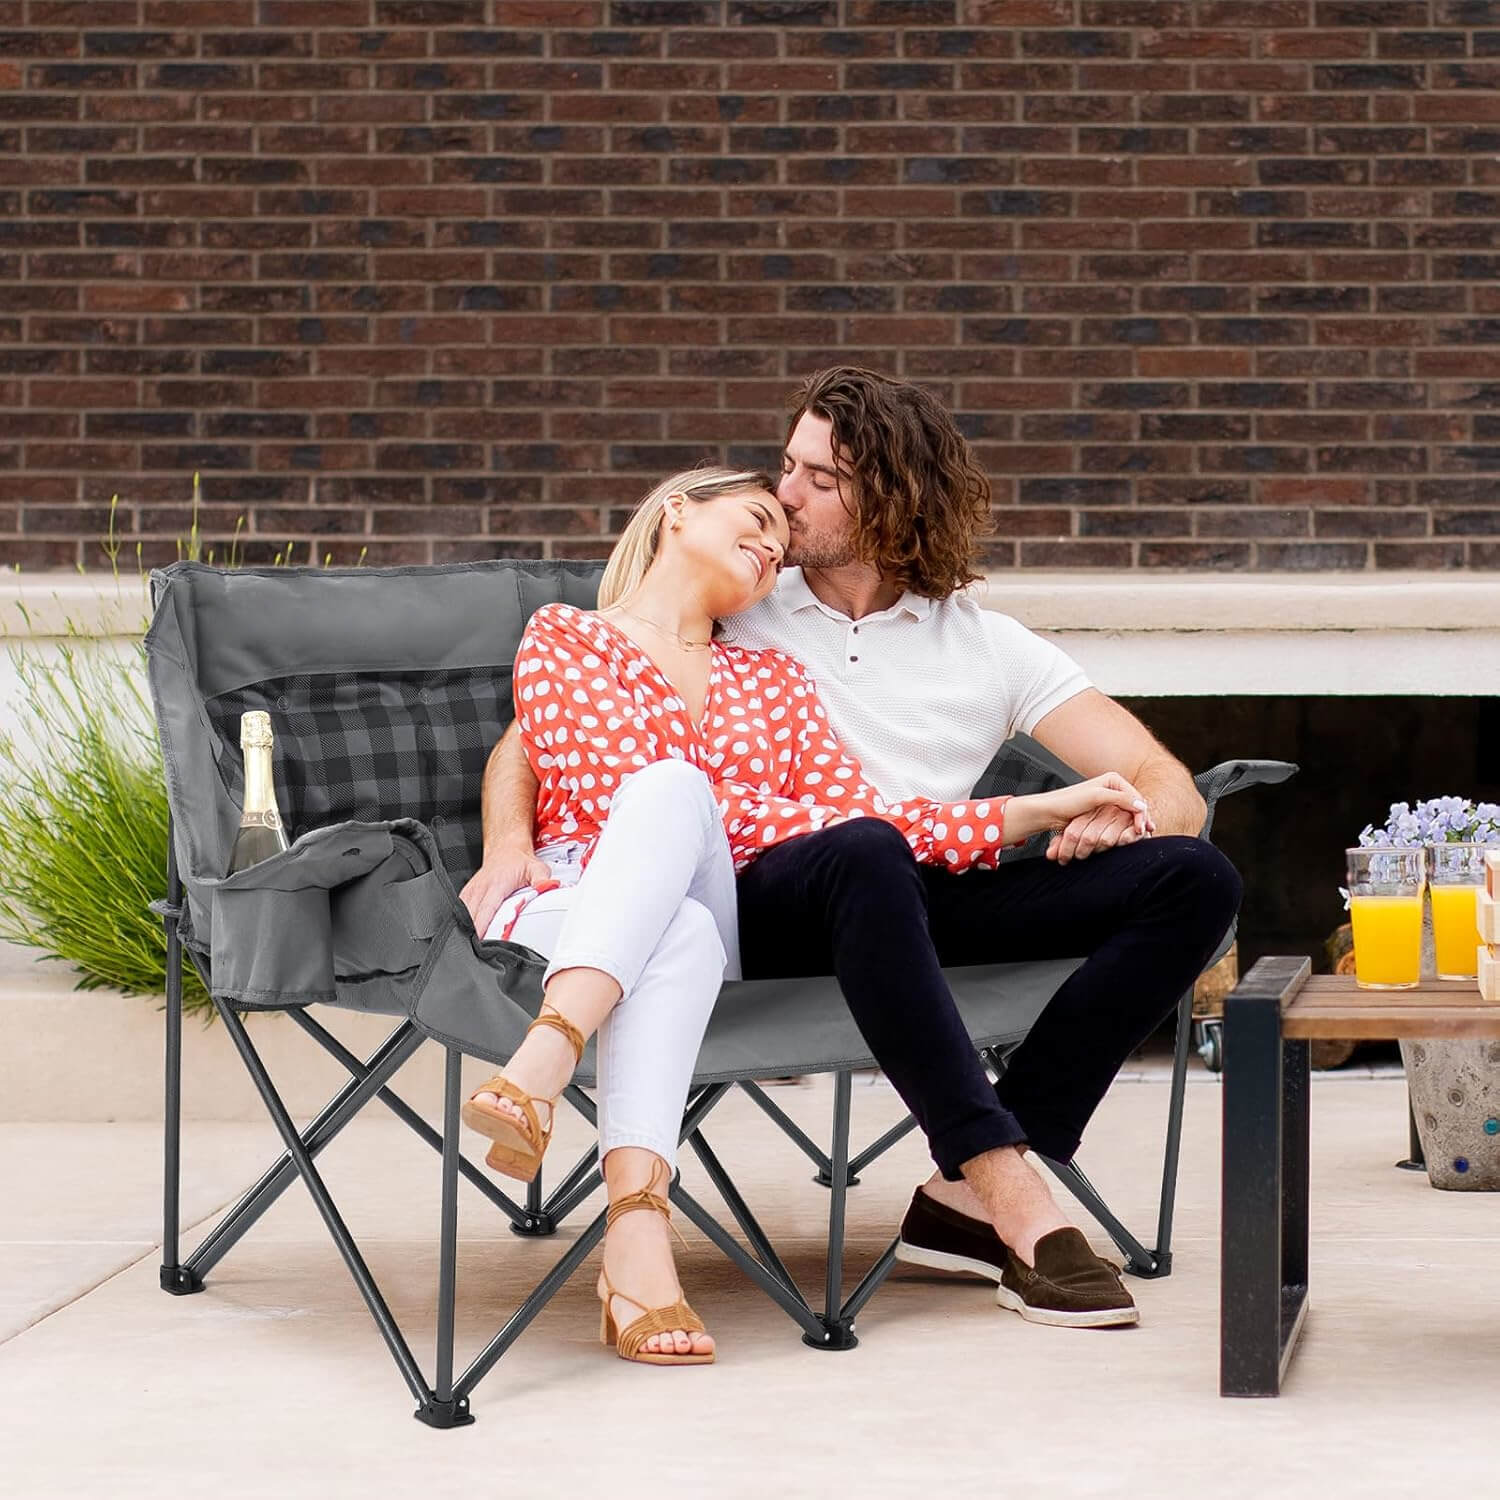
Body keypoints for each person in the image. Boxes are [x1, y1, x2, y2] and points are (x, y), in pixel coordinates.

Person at [465, 367, 1242, 1334]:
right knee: (865, 849)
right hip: (771, 895)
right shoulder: (748, 596)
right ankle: (1011, 1190)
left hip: (920, 879)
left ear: (895, 495)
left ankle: (963, 1197)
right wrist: (507, 841)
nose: (785, 498)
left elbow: (1156, 772)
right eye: (783, 469)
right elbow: (538, 729)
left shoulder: (990, 646)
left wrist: (1127, 816)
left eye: (817, 478)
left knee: (1196, 878)